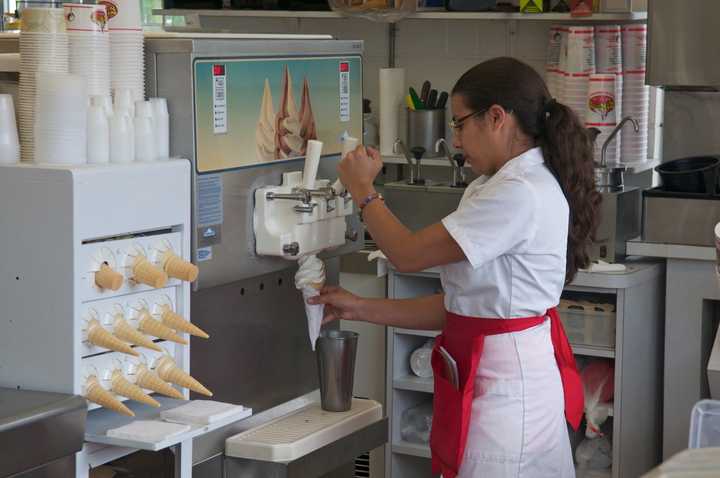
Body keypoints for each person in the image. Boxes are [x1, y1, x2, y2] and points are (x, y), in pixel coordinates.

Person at [308, 57, 601, 478]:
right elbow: (460, 308)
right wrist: (359, 308)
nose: (457, 140)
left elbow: (406, 254)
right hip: (494, 376)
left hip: (508, 397)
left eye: (461, 124)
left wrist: (364, 190)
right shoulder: (496, 185)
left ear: (497, 117)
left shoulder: (518, 192)